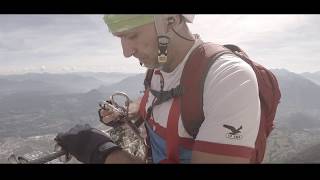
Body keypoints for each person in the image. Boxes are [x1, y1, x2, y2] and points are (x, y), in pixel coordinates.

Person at [55, 15, 261, 164]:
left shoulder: (229, 77)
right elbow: (153, 102)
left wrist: (105, 152)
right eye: (121, 39)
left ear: (171, 20)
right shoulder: (157, 72)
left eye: (132, 35)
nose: (126, 52)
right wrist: (123, 113)